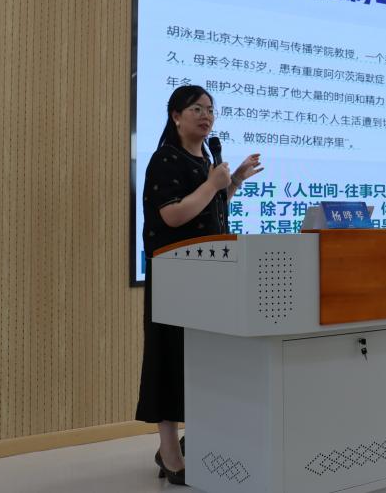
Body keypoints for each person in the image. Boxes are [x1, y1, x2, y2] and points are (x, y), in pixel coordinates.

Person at [136, 85, 262, 484]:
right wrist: (212, 184)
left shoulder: (206, 159)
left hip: (209, 275)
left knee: (204, 360)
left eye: (210, 109)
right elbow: (173, 216)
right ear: (176, 116)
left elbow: (210, 210)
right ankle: (170, 454)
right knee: (169, 359)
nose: (206, 115)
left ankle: (201, 437)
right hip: (175, 277)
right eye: (196, 109)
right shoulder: (165, 159)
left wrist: (232, 182)